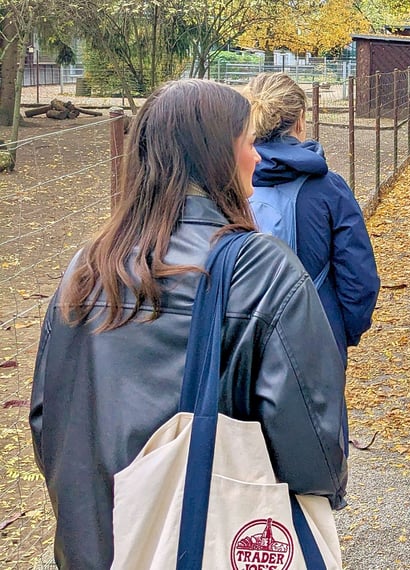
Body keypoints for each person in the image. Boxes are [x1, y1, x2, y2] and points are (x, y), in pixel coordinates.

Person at [30, 79, 350, 568]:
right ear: (216, 156)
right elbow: (314, 446)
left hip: (98, 541)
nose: (260, 159)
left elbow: (47, 418)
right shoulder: (261, 269)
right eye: (248, 143)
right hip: (206, 537)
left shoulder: (88, 268)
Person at [245, 72, 380, 353]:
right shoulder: (329, 188)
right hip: (314, 336)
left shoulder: (226, 183)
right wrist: (342, 334)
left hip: (242, 337)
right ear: (301, 120)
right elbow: (359, 276)